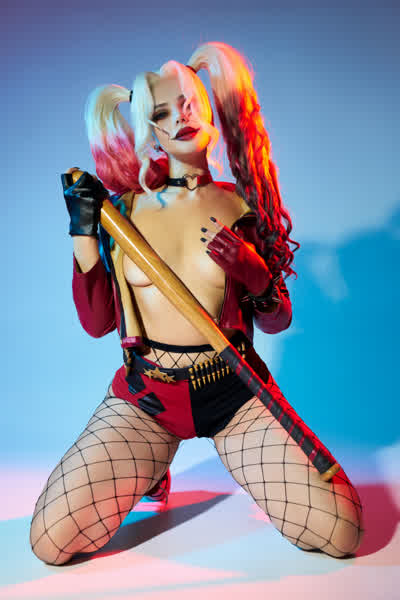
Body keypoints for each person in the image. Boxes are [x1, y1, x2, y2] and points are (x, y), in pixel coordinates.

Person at [30, 41, 364, 565]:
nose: (180, 117)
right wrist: (83, 231)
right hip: (148, 399)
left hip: (235, 393)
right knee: (50, 542)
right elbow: (97, 323)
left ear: (207, 109)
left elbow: (277, 321)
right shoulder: (124, 212)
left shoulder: (242, 204)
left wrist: (256, 275)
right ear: (149, 130)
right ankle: (151, 470)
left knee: (342, 532)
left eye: (188, 103)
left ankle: (222, 460)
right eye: (162, 112)